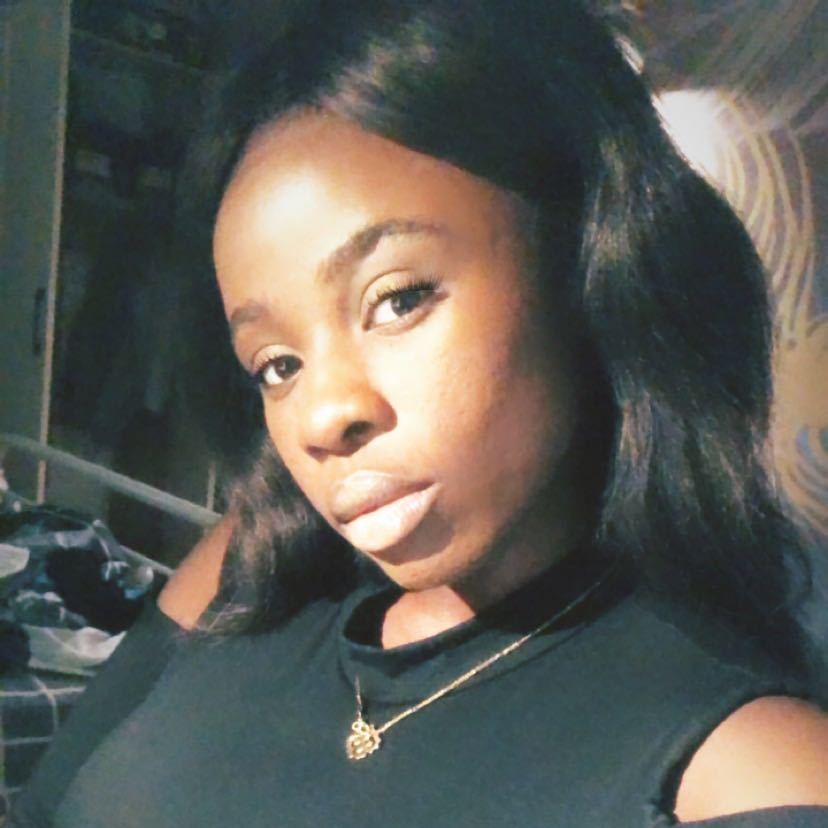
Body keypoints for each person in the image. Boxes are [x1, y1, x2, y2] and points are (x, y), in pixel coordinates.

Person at [10, 1, 828, 825]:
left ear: (590, 260)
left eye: (397, 300)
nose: (323, 417)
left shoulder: (742, 768)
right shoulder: (251, 567)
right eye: (278, 365)